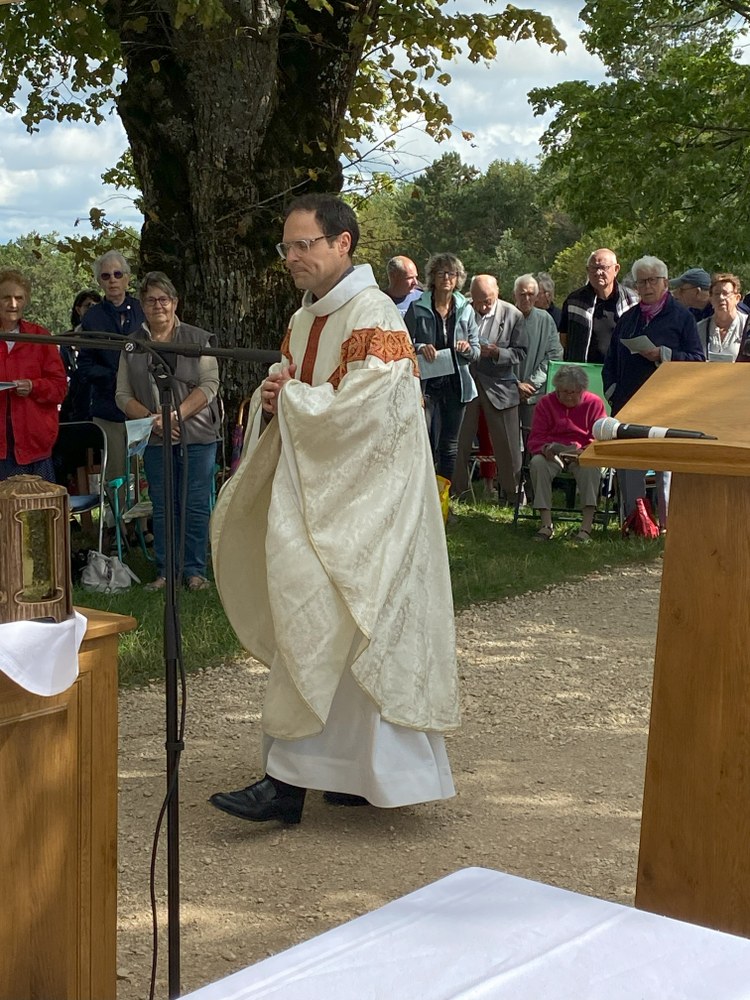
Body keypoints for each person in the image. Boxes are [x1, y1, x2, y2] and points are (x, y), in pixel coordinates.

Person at [209, 193, 459, 824]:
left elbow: (371, 413)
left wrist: (292, 399)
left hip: (372, 507)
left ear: (342, 243)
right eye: (286, 246)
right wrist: (274, 397)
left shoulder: (374, 313)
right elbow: (297, 389)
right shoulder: (303, 318)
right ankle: (343, 773)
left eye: (304, 244)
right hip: (319, 493)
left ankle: (294, 784)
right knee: (318, 621)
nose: (292, 257)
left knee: (331, 618)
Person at [116, 271, 221, 591]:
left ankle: (194, 570)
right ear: (142, 305)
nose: (158, 305)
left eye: (164, 299)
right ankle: (165, 571)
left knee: (194, 504)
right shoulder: (132, 344)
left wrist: (175, 416)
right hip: (154, 435)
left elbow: (210, 385)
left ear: (175, 302)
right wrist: (155, 419)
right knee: (163, 506)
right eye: (150, 300)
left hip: (197, 435)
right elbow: (122, 395)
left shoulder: (199, 339)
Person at [603, 256, 705, 529]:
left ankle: (669, 526)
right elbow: (610, 362)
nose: (646, 287)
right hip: (629, 404)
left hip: (668, 405)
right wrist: (613, 392)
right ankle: (636, 523)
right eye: (641, 282)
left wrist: (663, 354)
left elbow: (698, 360)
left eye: (652, 281)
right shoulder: (628, 319)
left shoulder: (682, 317)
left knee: (666, 466)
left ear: (664, 283)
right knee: (630, 463)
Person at [451, 274, 527, 502]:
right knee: (458, 441)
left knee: (508, 446)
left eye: (488, 301)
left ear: (497, 292)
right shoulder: (460, 310)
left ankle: (513, 495)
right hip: (465, 383)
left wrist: (496, 353)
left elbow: (521, 352)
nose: (483, 306)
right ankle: (457, 493)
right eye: (478, 301)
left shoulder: (513, 315)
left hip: (500, 386)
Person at [405, 253, 480, 483]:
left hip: (457, 384)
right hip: (426, 386)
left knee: (450, 445)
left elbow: (476, 350)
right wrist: (420, 347)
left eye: (451, 274)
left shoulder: (466, 309)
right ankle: (423, 492)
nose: (447, 278)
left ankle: (443, 496)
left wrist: (467, 348)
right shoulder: (417, 308)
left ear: (458, 279)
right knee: (425, 440)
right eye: (441, 273)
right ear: (433, 278)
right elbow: (402, 345)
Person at [78, 251, 145, 507]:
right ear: (99, 282)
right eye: (106, 276)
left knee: (144, 473)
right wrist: (117, 378)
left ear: (127, 278)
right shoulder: (92, 317)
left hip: (145, 406)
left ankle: (148, 524)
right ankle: (120, 523)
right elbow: (85, 366)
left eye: (118, 274)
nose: (113, 280)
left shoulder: (143, 309)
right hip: (109, 408)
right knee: (117, 475)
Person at [0, 269, 67, 481]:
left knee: (38, 501)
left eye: (19, 298)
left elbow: (59, 388)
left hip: (34, 444)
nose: (13, 304)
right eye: (6, 297)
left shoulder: (39, 337)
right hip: (1, 446)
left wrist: (34, 386)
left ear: (26, 301)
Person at [527, 365, 606, 542]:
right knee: (537, 464)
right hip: (552, 454)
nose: (569, 396)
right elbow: (535, 437)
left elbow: (599, 437)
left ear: (582, 390)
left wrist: (583, 451)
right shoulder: (546, 403)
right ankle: (546, 525)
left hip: (581, 454)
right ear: (557, 389)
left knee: (591, 468)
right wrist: (545, 449)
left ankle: (586, 528)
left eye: (573, 392)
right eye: (564, 392)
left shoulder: (594, 403)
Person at [559, 249, 638, 363]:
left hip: (620, 370)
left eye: (603, 267)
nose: (598, 272)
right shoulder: (574, 301)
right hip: (583, 370)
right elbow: (564, 338)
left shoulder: (632, 301)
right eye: (594, 268)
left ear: (616, 269)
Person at [513, 274, 564, 442]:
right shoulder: (506, 316)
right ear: (514, 295)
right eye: (522, 294)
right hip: (508, 391)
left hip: (535, 393)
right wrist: (515, 384)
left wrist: (532, 383)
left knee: (535, 440)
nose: (526, 298)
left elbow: (554, 354)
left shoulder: (546, 319)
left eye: (530, 294)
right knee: (509, 443)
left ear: (536, 296)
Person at [59, 289, 101, 422]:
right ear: (78, 309)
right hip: (73, 400)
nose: (93, 310)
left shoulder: (106, 338)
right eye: (88, 306)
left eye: (97, 306)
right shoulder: (66, 340)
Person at [697, 274, 748, 362]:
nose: (721, 297)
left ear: (737, 298)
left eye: (726, 293)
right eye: (717, 294)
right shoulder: (699, 328)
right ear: (711, 299)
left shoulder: (747, 326)